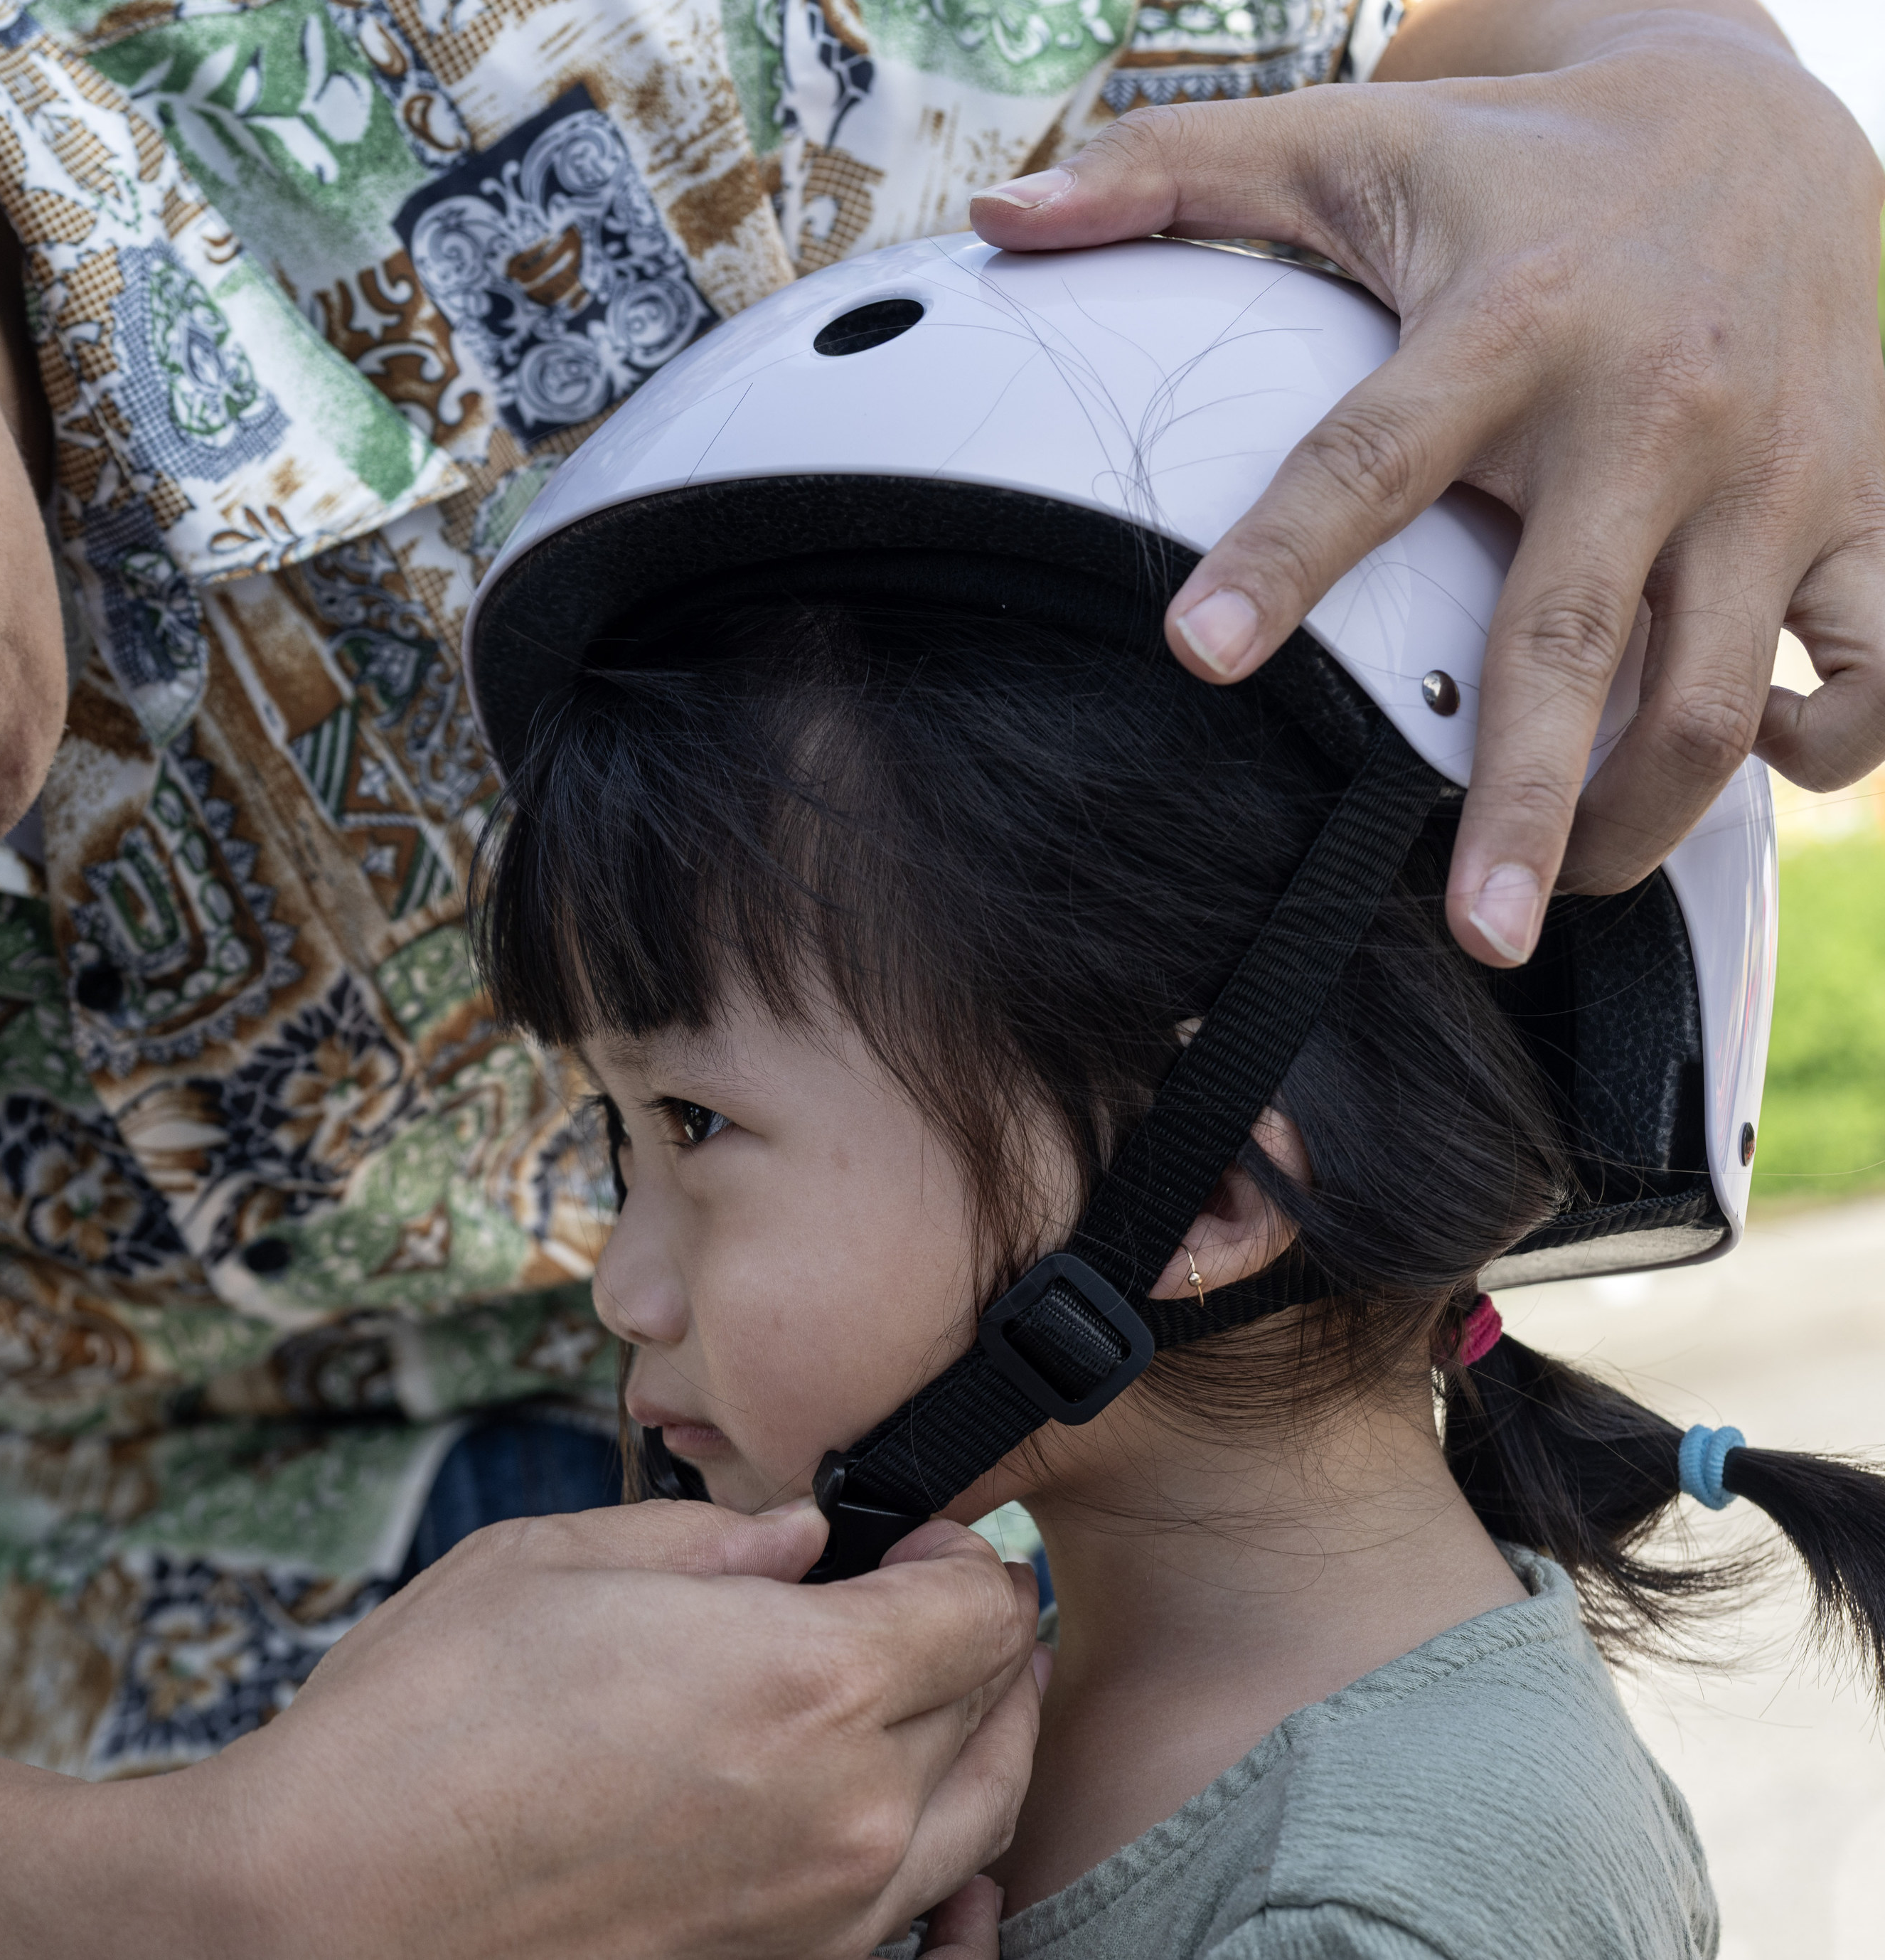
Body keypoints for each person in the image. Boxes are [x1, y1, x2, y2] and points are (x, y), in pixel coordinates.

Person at [0, 0, 1875, 1952]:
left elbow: (1474, 61)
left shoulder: (592, 56)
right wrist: (223, 1899)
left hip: (1090, 1422)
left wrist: (1711, 103)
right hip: (13, 1717)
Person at [464, 233, 1885, 1956]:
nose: (617, 1282)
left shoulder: (1369, 1912)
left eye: (691, 1126)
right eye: (623, 1140)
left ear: (1209, 1193)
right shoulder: (932, 1722)